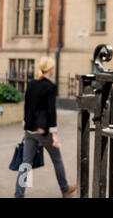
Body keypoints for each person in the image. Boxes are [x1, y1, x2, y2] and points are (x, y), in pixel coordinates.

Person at [14, 56, 76, 198]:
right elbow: (51, 111)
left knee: (26, 164)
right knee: (57, 159)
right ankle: (65, 189)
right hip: (43, 131)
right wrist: (54, 134)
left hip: (30, 129)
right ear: (51, 69)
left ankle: (18, 195)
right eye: (53, 67)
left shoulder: (31, 83)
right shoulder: (50, 86)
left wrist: (25, 123)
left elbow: (26, 106)